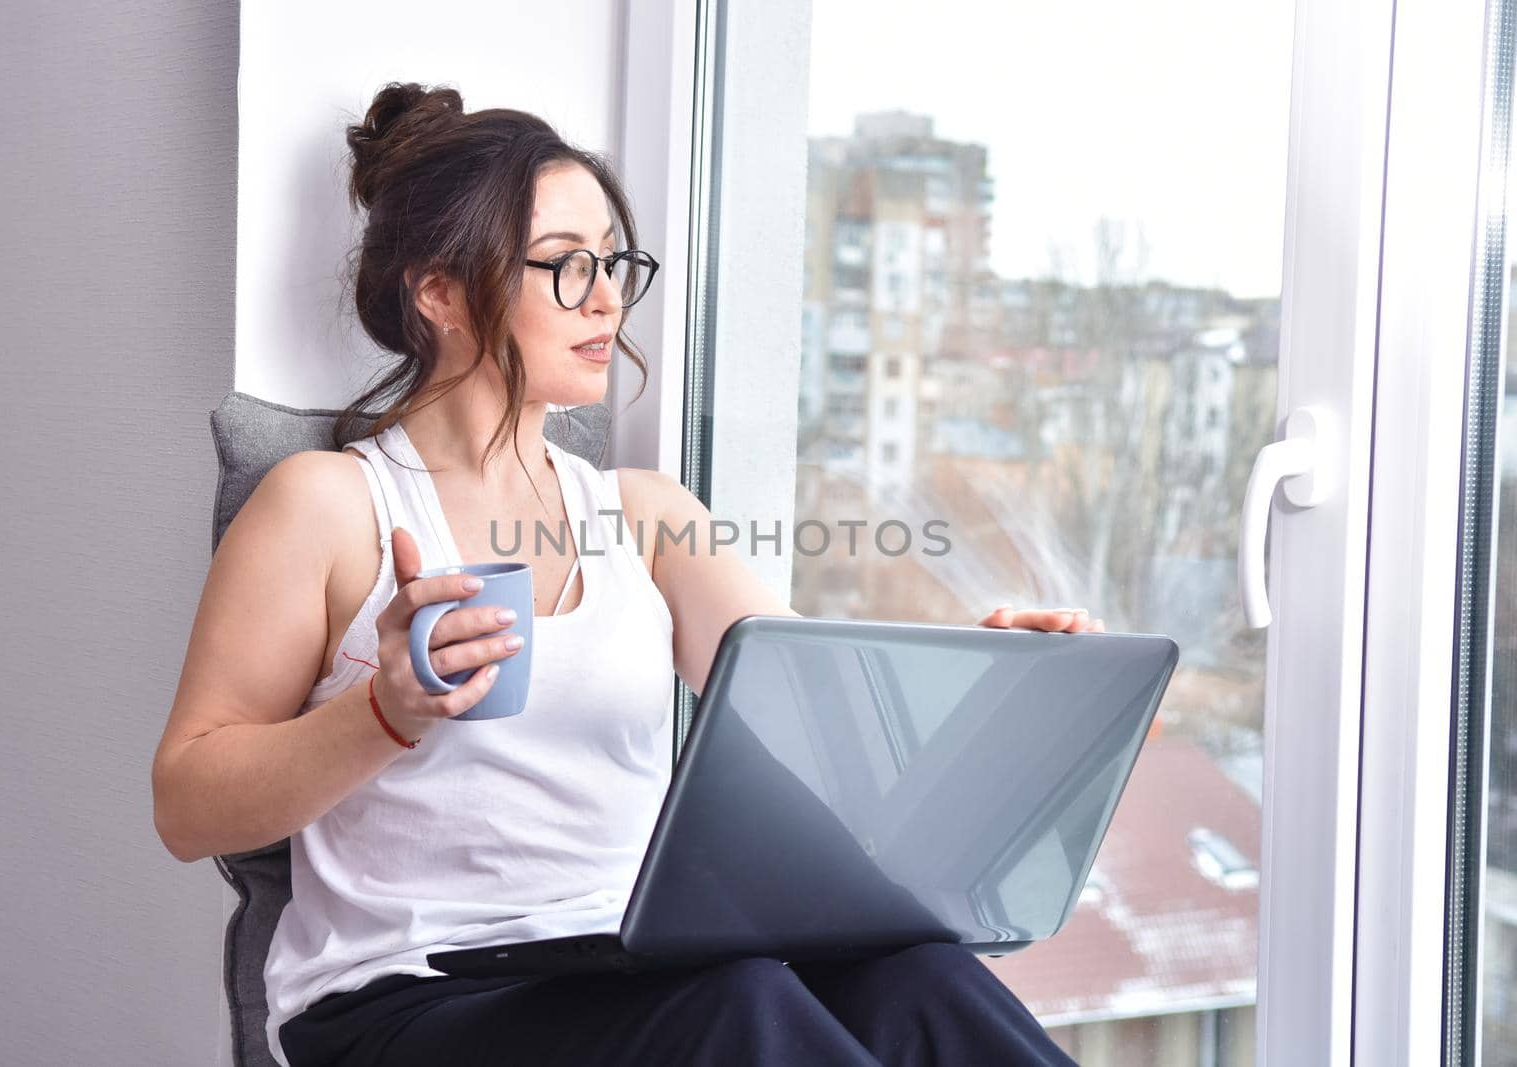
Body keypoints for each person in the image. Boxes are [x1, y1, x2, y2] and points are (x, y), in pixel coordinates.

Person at [151, 81, 1102, 1067]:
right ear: (438, 291)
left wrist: (991, 689)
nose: (607, 297)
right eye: (565, 267)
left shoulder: (645, 517)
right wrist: (383, 711)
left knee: (919, 975)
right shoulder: (328, 505)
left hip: (621, 963)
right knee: (737, 999)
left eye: (613, 263)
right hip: (406, 997)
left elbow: (832, 732)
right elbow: (185, 804)